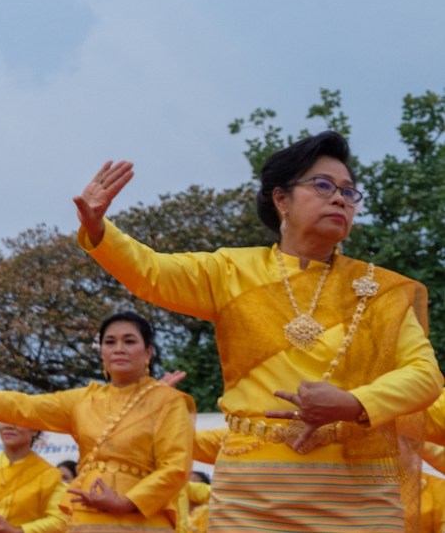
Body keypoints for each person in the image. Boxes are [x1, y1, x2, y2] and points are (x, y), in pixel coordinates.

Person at [74, 131, 443, 532]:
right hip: (252, 497)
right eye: (323, 185)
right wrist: (98, 229)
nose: (339, 198)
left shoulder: (381, 290)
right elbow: (152, 273)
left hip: (358, 496)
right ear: (280, 199)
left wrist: (355, 403)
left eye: (349, 193)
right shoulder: (230, 271)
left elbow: (424, 376)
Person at [0, 312, 194, 530]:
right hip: (87, 515)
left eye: (129, 341)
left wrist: (126, 501)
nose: (119, 349)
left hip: (142, 517)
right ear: (101, 351)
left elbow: (176, 467)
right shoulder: (83, 399)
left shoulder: (169, 401)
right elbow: (25, 406)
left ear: (148, 352)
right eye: (110, 342)